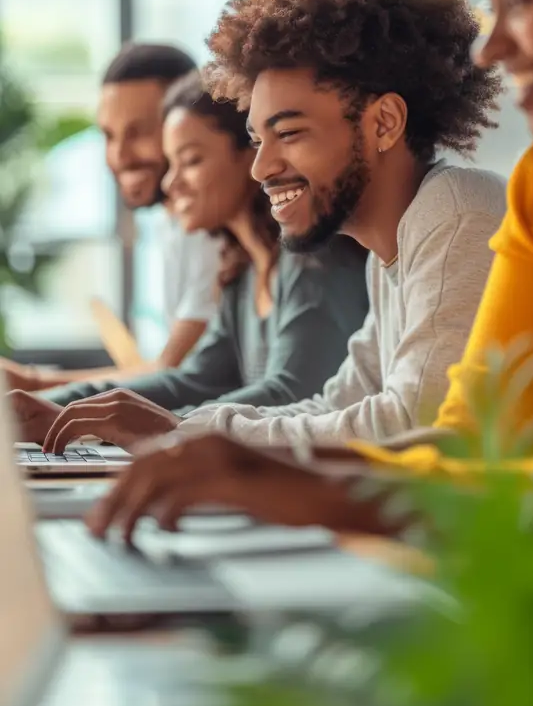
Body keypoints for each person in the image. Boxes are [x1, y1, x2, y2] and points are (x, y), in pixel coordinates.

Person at [82, 0, 533, 542]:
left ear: (384, 122)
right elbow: (447, 438)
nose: (491, 48)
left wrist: (239, 454)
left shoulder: (455, 212)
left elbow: (428, 433)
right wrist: (201, 440)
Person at [26, 0, 506, 460]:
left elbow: (411, 424)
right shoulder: (389, 254)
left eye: (290, 133)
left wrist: (180, 434)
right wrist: (179, 431)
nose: (261, 168)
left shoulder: (454, 212)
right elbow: (335, 404)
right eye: (258, 140)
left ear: (384, 123)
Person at [12, 70, 370, 446]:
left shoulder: (315, 258)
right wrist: (53, 409)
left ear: (248, 155)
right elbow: (192, 380)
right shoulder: (243, 272)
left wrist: (167, 428)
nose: (170, 183)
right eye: (171, 163)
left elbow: (292, 392)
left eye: (191, 160)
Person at [1, 41, 222, 392]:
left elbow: (174, 371)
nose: (119, 155)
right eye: (108, 135)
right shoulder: (171, 224)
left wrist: (32, 383)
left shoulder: (211, 233)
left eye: (138, 132)